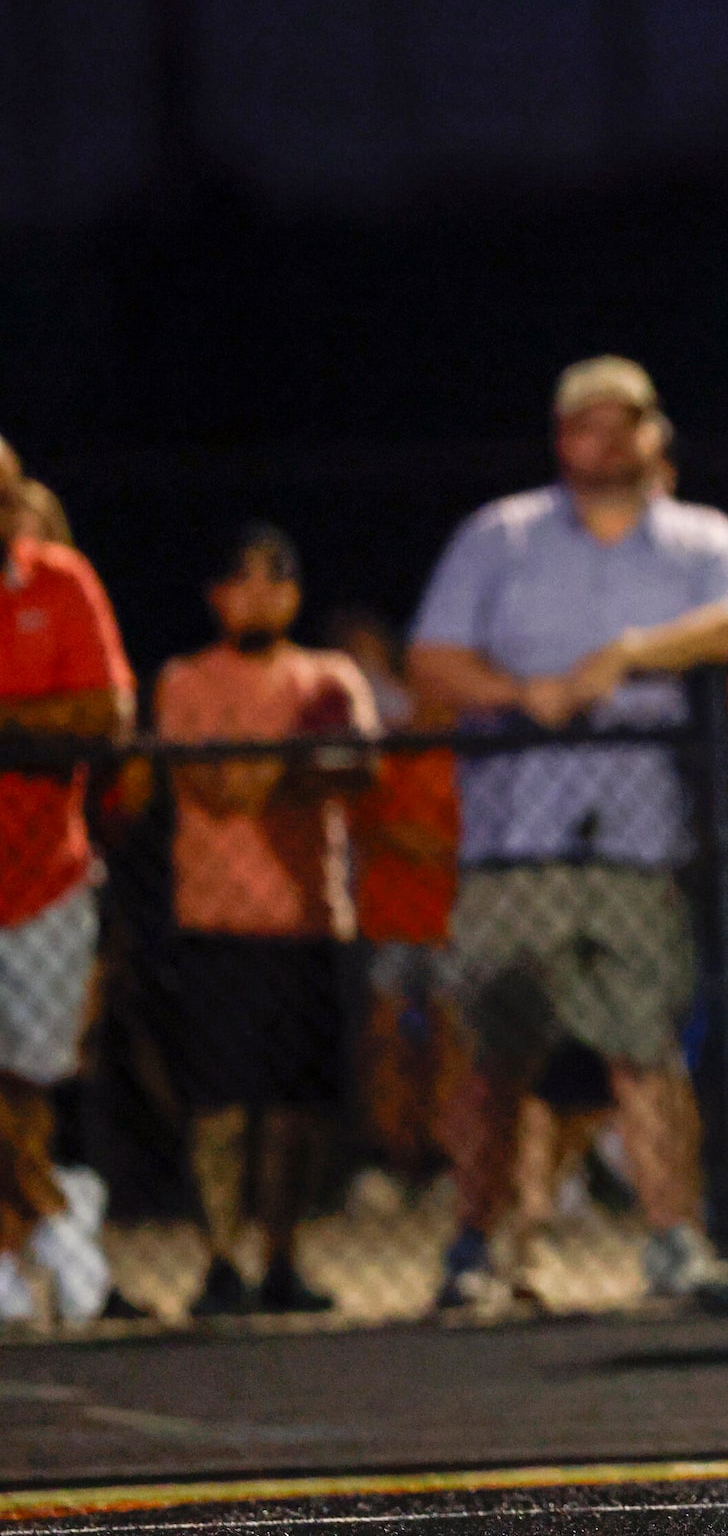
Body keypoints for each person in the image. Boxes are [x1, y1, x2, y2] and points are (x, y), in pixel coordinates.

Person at [408, 356, 728, 1307]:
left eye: (629, 421)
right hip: (515, 840)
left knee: (646, 1050)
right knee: (494, 1058)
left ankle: (673, 1241)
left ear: (657, 434)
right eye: (590, 423)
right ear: (562, 439)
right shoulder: (500, 535)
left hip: (642, 844)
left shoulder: (702, 538)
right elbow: (433, 661)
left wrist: (626, 658)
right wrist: (526, 694)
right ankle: (473, 1245)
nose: (611, 439)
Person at [154, 524, 380, 1316]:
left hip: (313, 916)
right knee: (219, 1102)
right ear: (216, 595)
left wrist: (272, 766)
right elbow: (220, 792)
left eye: (276, 578)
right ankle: (222, 1261)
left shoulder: (331, 673)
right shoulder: (186, 679)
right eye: (241, 579)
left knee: (299, 1106)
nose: (260, 593)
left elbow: (353, 774)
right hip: (216, 914)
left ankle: (283, 1260)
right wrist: (295, 762)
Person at [0, 435, 130, 1327]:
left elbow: (105, 717)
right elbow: (64, 718)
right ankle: (59, 1223)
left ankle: (17, 1247)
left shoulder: (60, 581)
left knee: (27, 1086)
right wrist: (30, 729)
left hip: (46, 877)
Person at [325, 608, 465, 1204]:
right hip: (388, 918)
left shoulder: (468, 757)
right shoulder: (390, 750)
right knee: (384, 1041)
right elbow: (367, 825)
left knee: (449, 1040)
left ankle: (440, 1159)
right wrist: (424, 843)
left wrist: (429, 845)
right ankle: (386, 1157)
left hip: (452, 919)